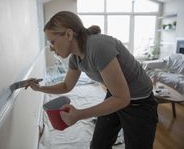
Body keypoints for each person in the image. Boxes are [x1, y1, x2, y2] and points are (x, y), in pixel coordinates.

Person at [26, 11, 158, 149]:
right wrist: (39, 88)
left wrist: (79, 115)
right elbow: (66, 86)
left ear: (69, 34)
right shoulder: (75, 58)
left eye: (52, 41)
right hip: (115, 96)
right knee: (98, 145)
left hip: (139, 103)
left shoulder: (97, 47)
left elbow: (123, 99)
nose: (51, 48)